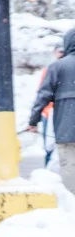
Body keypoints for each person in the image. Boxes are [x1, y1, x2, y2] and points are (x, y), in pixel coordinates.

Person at [29, 29, 75, 192]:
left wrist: (33, 121)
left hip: (66, 128)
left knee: (70, 165)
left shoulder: (57, 66)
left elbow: (43, 95)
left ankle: (73, 202)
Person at [38, 47, 63, 166]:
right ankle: (49, 171)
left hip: (62, 112)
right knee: (49, 146)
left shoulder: (55, 68)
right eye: (59, 51)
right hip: (50, 112)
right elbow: (43, 92)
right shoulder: (50, 69)